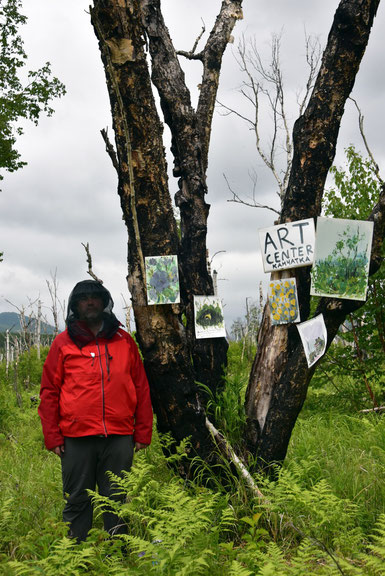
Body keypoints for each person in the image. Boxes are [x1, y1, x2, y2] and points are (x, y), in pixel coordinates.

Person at [38, 279, 153, 542]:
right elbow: (49, 393)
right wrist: (53, 436)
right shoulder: (63, 343)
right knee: (78, 497)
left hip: (119, 435)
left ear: (104, 303)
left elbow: (141, 387)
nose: (89, 302)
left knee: (117, 498)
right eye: (83, 299)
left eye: (94, 297)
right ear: (75, 306)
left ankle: (119, 553)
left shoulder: (124, 341)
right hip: (75, 438)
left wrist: (143, 432)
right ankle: (77, 556)